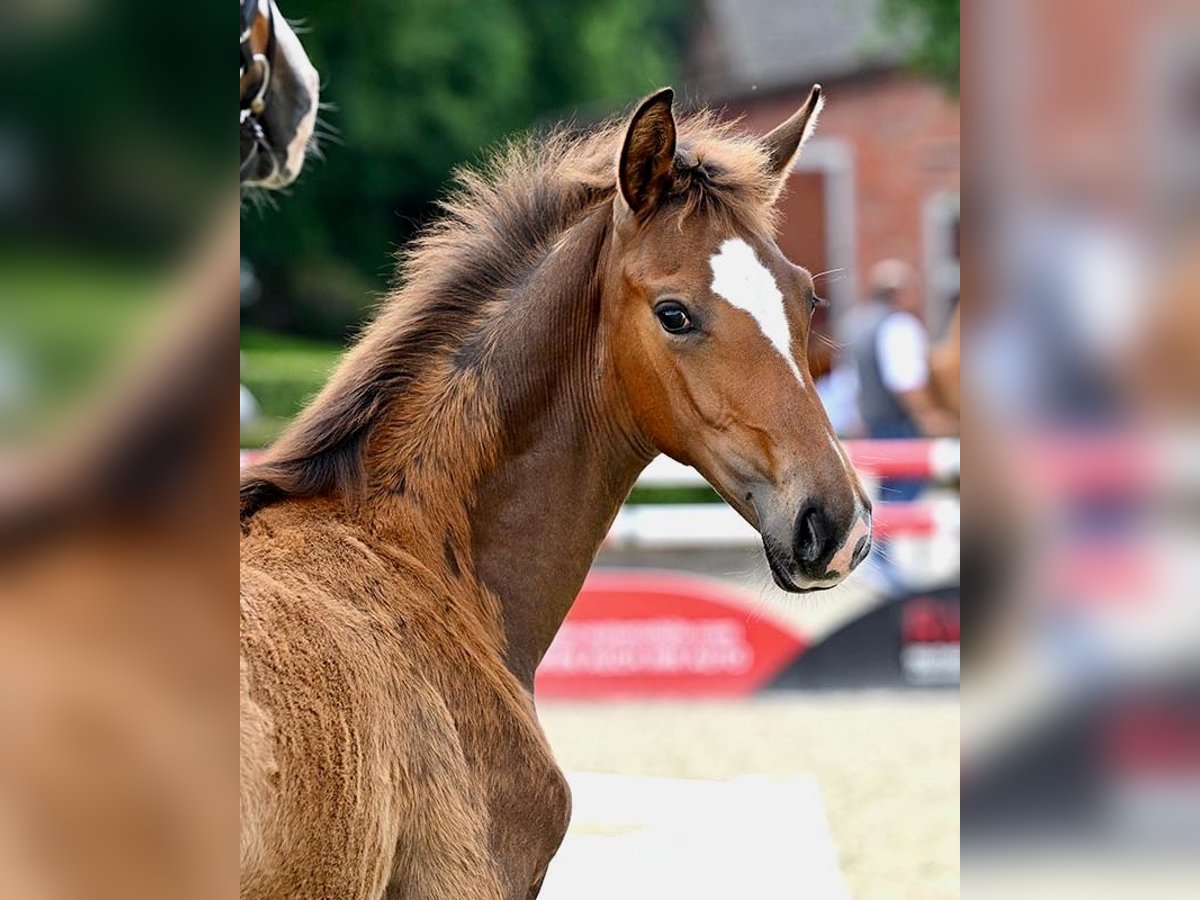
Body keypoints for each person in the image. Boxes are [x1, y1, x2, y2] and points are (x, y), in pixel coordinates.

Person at [850, 260, 957, 501]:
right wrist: (929, 416)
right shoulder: (900, 324)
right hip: (901, 425)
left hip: (873, 424)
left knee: (886, 496)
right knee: (904, 497)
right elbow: (906, 381)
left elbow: (852, 383)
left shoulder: (857, 325)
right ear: (900, 293)